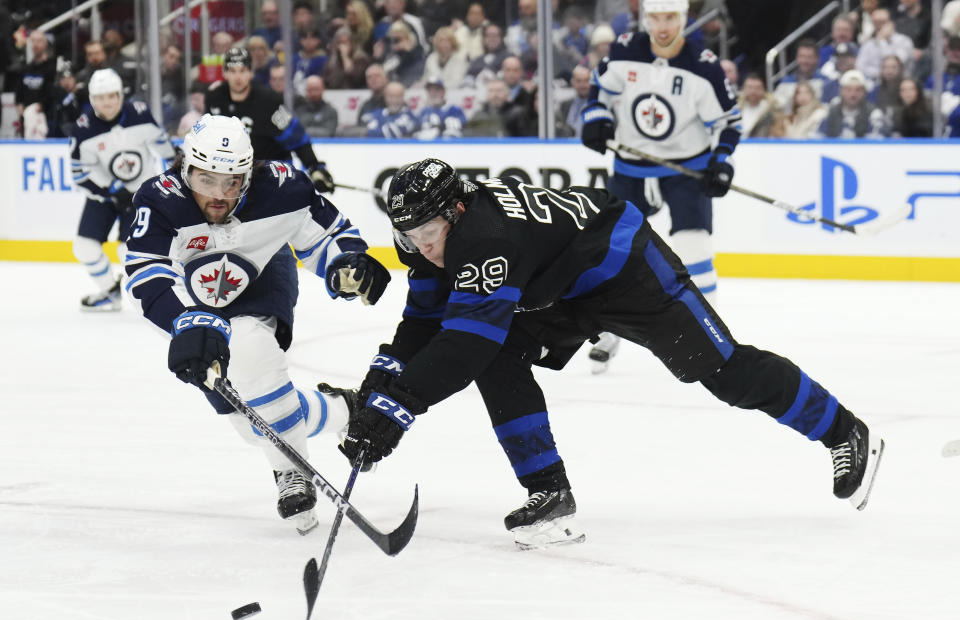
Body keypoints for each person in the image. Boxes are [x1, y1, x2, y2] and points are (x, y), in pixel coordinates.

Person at [325, 158, 885, 549]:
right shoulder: (433, 242)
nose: (420, 246)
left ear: (458, 210)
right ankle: (549, 491)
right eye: (408, 234)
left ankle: (844, 430)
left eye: (428, 230)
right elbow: (422, 323)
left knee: (724, 372)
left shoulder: (486, 240)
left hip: (624, 265)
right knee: (497, 357)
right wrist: (376, 392)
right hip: (557, 286)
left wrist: (395, 411)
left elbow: (465, 344)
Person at [124, 114, 391, 534]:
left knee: (252, 349)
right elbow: (147, 271)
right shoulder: (159, 199)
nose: (217, 195)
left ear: (248, 176)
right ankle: (344, 409)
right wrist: (184, 322)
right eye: (205, 179)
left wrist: (347, 261)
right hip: (198, 304)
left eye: (230, 182)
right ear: (185, 167)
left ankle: (291, 472)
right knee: (252, 421)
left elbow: (326, 234)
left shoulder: (282, 187)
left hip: (265, 272)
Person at [580, 0, 741, 372]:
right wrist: (596, 121)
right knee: (612, 250)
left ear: (683, 19)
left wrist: (721, 161)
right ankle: (607, 332)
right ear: (646, 18)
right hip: (632, 168)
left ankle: (709, 337)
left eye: (670, 17)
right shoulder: (624, 51)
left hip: (685, 169)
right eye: (655, 17)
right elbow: (598, 93)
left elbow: (729, 122)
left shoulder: (703, 65)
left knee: (694, 248)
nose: (663, 25)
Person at [70, 69, 175, 311]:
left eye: (112, 96)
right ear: (92, 99)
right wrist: (111, 192)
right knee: (84, 247)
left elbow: (164, 146)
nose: (107, 102)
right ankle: (109, 292)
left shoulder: (139, 114)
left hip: (141, 195)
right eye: (100, 97)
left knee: (127, 250)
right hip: (105, 195)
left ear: (120, 95)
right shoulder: (83, 129)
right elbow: (79, 174)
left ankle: (153, 293)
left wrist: (177, 171)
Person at [206, 47, 335, 194]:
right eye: (233, 71)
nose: (238, 77)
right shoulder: (214, 98)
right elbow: (209, 139)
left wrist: (314, 167)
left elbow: (297, 138)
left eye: (242, 70)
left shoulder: (269, 101)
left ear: (251, 72)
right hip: (233, 177)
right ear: (224, 73)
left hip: (271, 174)